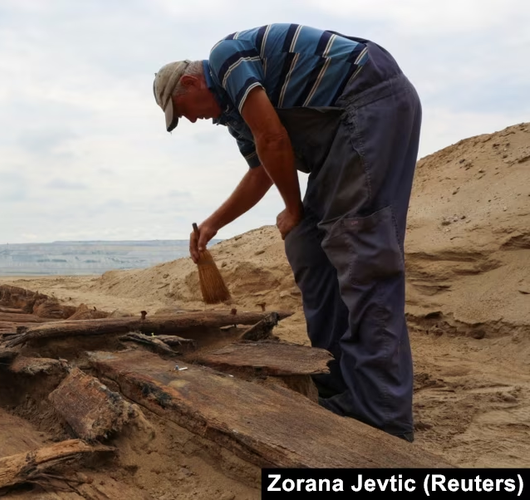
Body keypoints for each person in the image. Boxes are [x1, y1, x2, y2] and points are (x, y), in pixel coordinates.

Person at [153, 24, 421, 442]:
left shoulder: (226, 57)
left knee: (361, 253)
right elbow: (261, 170)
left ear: (190, 81)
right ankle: (340, 386)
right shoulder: (235, 116)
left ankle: (381, 414)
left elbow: (275, 139)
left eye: (184, 109)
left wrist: (293, 209)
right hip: (337, 138)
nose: (190, 119)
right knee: (307, 247)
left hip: (368, 104)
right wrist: (212, 224)